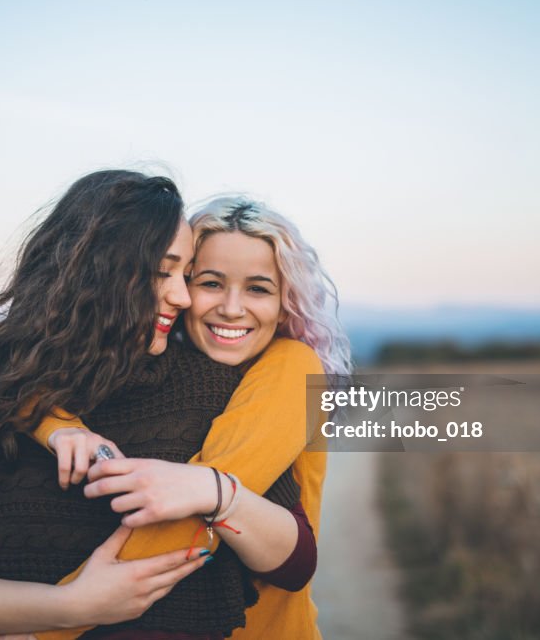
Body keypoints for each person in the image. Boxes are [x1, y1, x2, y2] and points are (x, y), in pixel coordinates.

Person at [0, 172, 314, 639]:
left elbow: (296, 564)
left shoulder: (220, 389)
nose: (183, 295)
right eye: (168, 273)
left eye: (185, 275)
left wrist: (214, 492)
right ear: (93, 274)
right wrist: (69, 606)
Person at [24, 195, 352, 640]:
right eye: (211, 283)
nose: (232, 308)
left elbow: (186, 512)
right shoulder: (155, 361)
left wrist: (51, 624)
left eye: (258, 289)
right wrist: (59, 426)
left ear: (285, 303)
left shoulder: (293, 365)